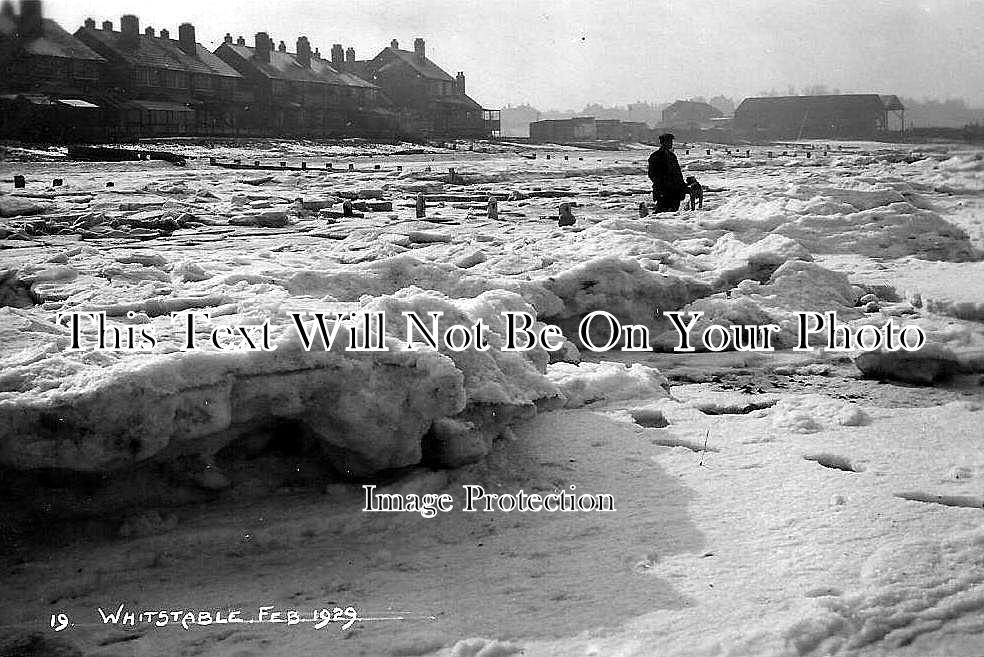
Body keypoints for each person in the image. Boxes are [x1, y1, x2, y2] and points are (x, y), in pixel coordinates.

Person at [648, 133, 687, 213]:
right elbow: (652, 174)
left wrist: (682, 187)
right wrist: (662, 185)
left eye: (671, 142)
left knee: (672, 214)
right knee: (662, 213)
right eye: (669, 142)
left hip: (675, 191)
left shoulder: (672, 156)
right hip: (663, 191)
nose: (671, 144)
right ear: (663, 143)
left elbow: (678, 174)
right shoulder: (656, 156)